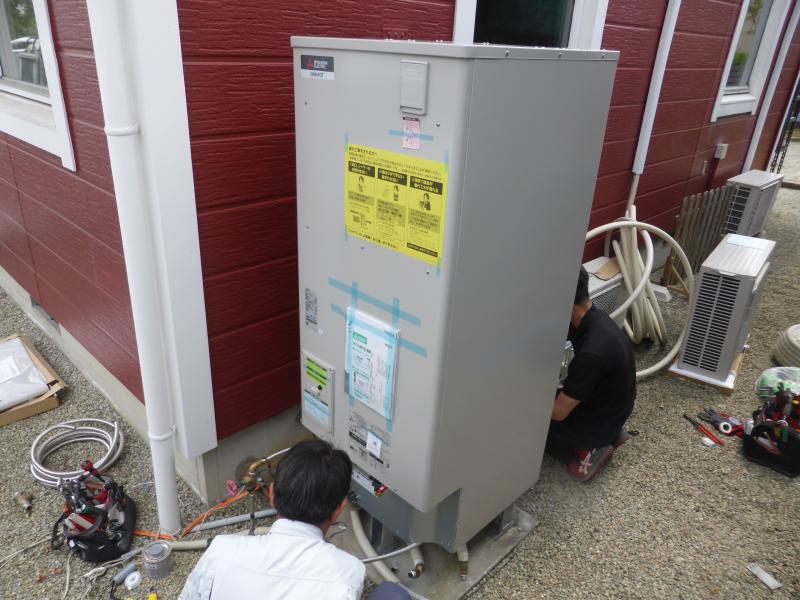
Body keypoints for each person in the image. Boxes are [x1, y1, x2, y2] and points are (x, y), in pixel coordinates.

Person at [179, 440, 410, 600]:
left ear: (272, 494)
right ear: (339, 509)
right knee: (393, 595)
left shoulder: (221, 550)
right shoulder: (348, 573)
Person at [546, 266, 636, 482]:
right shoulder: (597, 319)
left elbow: (557, 413)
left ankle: (589, 450)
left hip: (599, 422)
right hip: (614, 410)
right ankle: (611, 434)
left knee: (533, 429)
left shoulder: (592, 352)